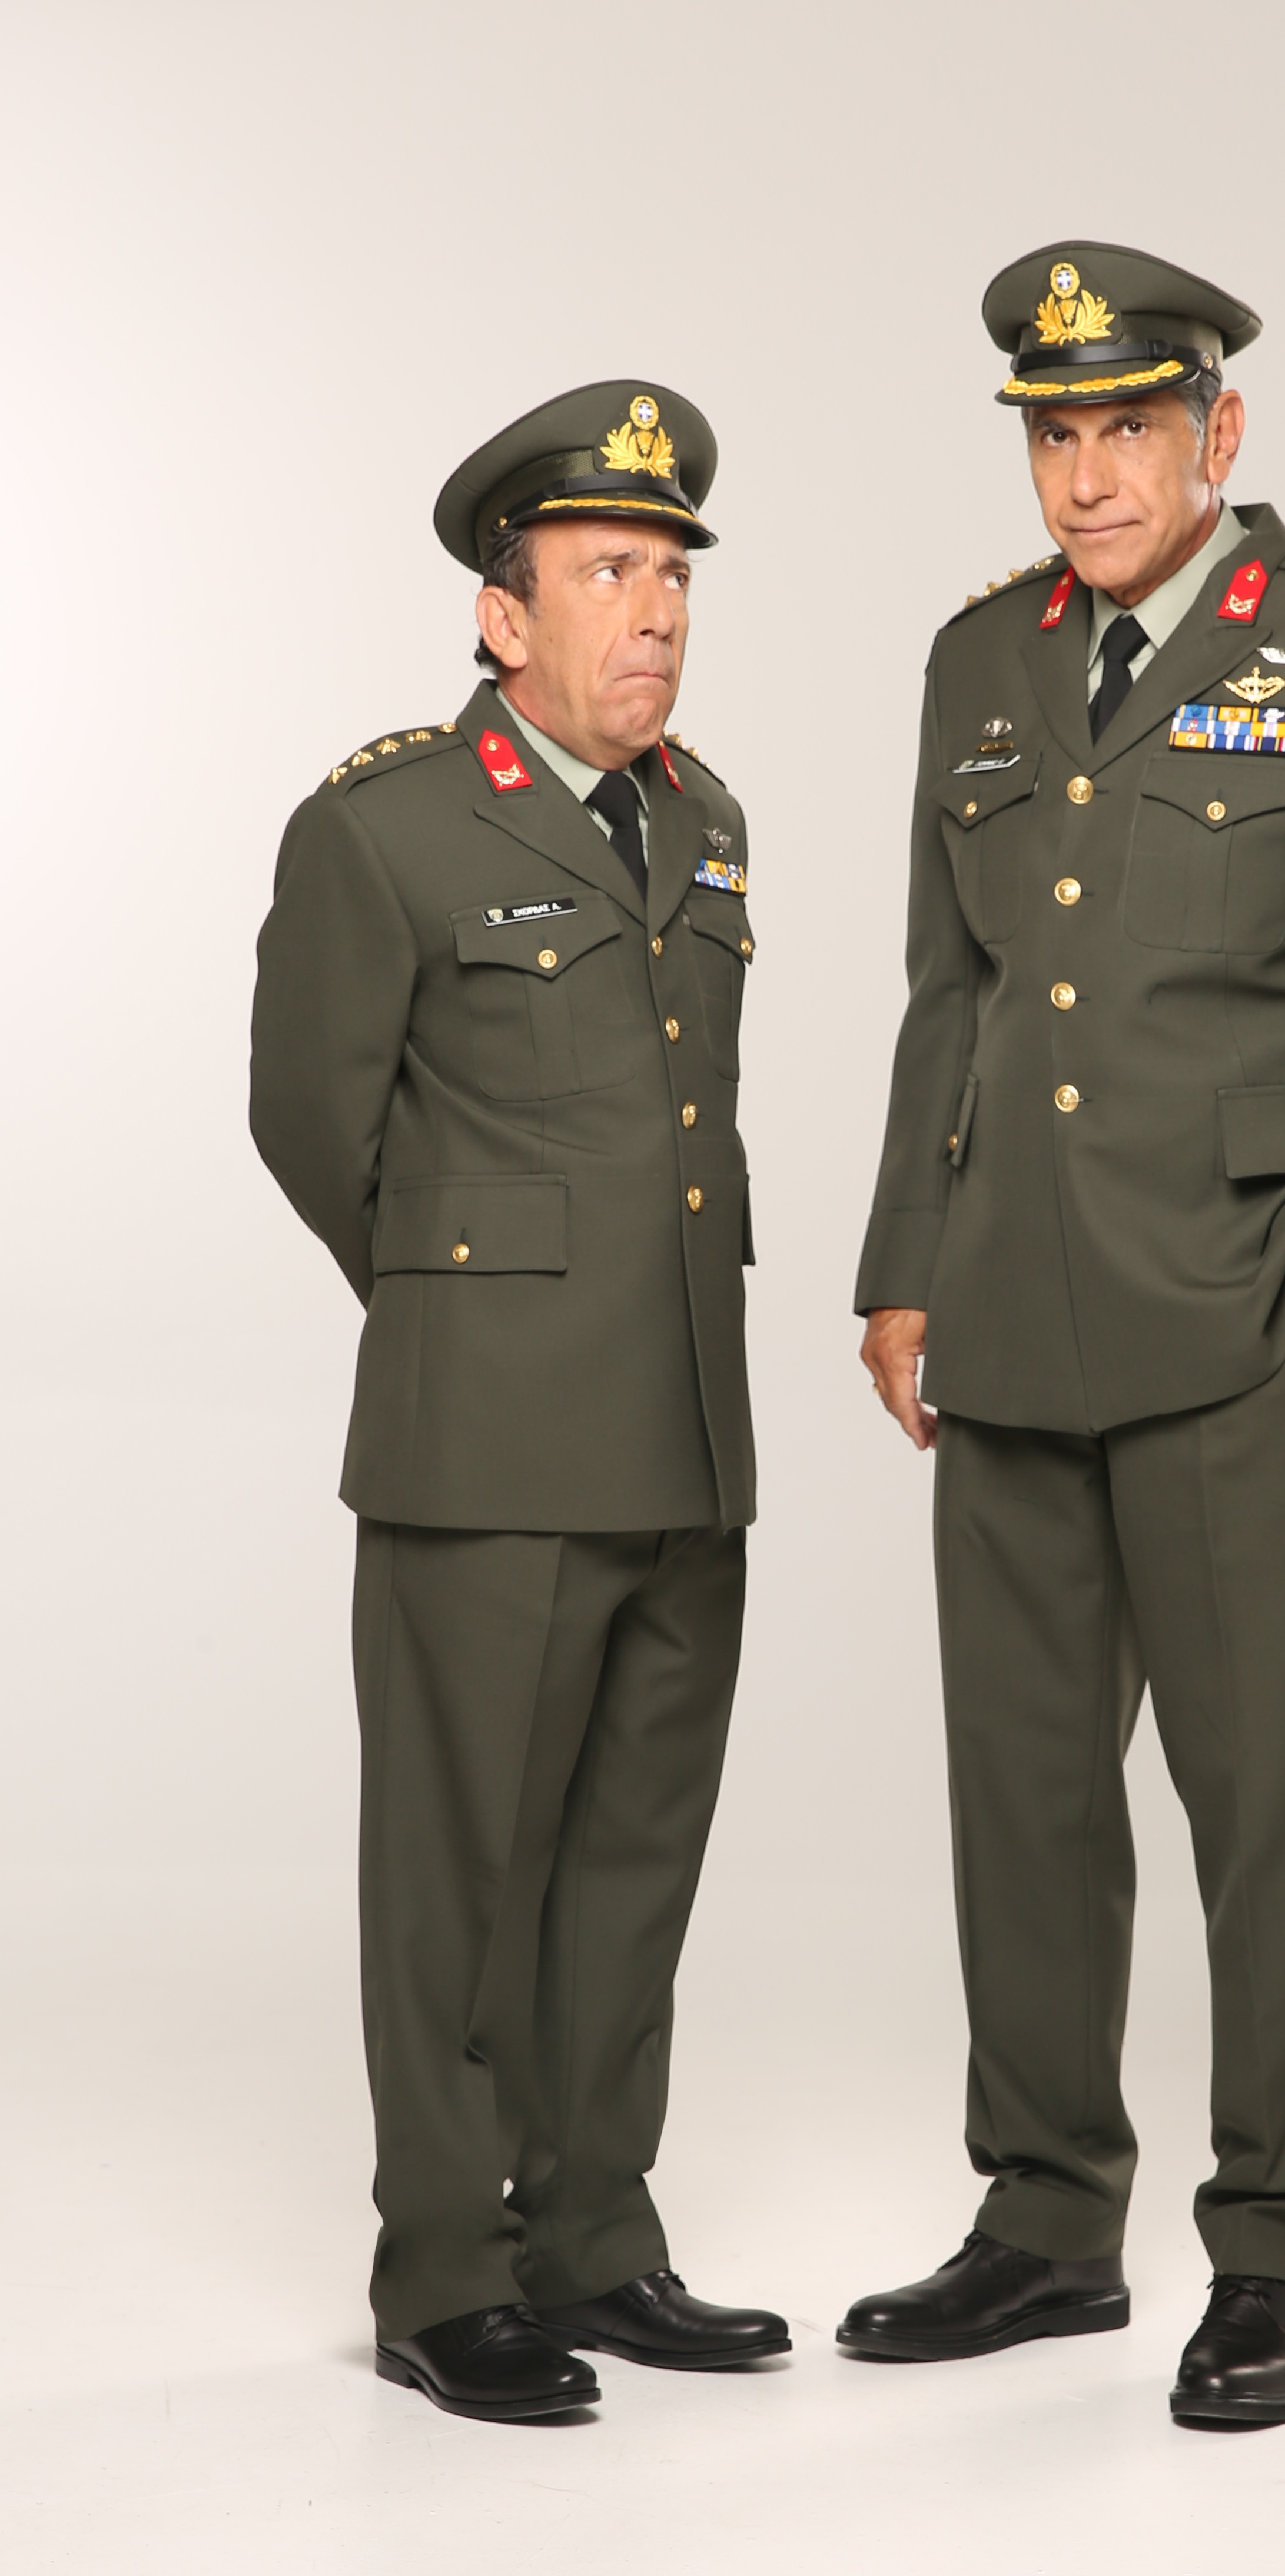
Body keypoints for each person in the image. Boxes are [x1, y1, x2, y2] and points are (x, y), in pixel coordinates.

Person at [843, 243, 1285, 2428]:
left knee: (1261, 1800)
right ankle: (1046, 2223)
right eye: (1056, 434)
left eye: (1130, 427)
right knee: (1024, 1798)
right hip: (1009, 1310)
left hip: (1236, 1321)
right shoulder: (981, 660)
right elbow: (951, 990)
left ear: (1221, 432)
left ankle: (1281, 2246)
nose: (1089, 475)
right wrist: (905, 1262)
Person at [251, 380, 785, 2421]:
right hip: (487, 1441)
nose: (654, 612)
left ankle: (594, 2238)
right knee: (460, 1875)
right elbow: (317, 1123)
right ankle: (445, 2275)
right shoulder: (384, 825)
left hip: (686, 1432)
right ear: (505, 616)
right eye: (608, 573)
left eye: (671, 577)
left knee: (633, 1865)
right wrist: (476, 1305)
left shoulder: (705, 818)